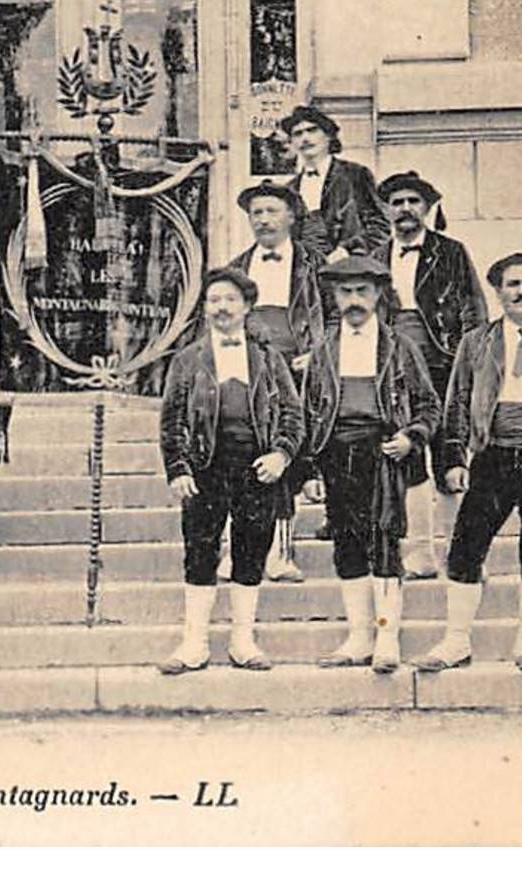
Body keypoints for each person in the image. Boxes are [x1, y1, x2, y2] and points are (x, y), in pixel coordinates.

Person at [414, 253, 522, 673]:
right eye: (513, 284)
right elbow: (455, 402)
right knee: (466, 546)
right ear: (498, 291)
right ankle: (456, 640)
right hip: (493, 455)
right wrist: (453, 457)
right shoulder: (476, 342)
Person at [299, 256, 441, 674]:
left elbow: (430, 406)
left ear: (379, 294)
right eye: (346, 291)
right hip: (336, 454)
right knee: (347, 544)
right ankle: (360, 634)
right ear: (334, 296)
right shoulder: (323, 350)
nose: (354, 300)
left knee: (383, 544)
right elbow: (307, 414)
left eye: (362, 290)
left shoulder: (401, 347)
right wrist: (309, 470)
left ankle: (387, 635)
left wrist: (410, 437)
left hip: (383, 454)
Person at [157, 269, 303, 673]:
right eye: (214, 300)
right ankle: (194, 644)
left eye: (230, 299)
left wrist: (281, 455)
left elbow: (293, 413)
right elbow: (170, 420)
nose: (222, 307)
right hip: (206, 468)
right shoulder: (188, 359)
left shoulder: (269, 358)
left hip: (258, 469)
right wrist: (178, 468)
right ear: (204, 309)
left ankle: (243, 641)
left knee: (251, 551)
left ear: (247, 307)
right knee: (200, 551)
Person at [373, 171, 487, 580]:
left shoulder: (451, 252)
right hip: (393, 371)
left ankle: (462, 556)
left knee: (449, 453)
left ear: (427, 208)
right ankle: (420, 553)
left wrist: (472, 360)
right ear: (386, 209)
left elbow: (474, 309)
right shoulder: (375, 256)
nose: (405, 209)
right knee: (407, 458)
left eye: (413, 202)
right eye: (397, 202)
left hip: (443, 364)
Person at [227, 179, 328, 583]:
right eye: (256, 213)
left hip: (299, 366)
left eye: (272, 211)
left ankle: (282, 554)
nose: (264, 220)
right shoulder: (235, 267)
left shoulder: (314, 264)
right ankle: (240, 551)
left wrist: (320, 354)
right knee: (249, 452)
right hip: (252, 366)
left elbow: (336, 314)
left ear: (291, 216)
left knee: (288, 453)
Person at [279, 105, 390, 262]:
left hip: (349, 272)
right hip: (305, 275)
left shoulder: (355, 174)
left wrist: (348, 252)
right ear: (292, 142)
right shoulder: (289, 189)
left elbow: (380, 227)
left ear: (328, 136)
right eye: (297, 134)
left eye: (312, 130)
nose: (305, 138)